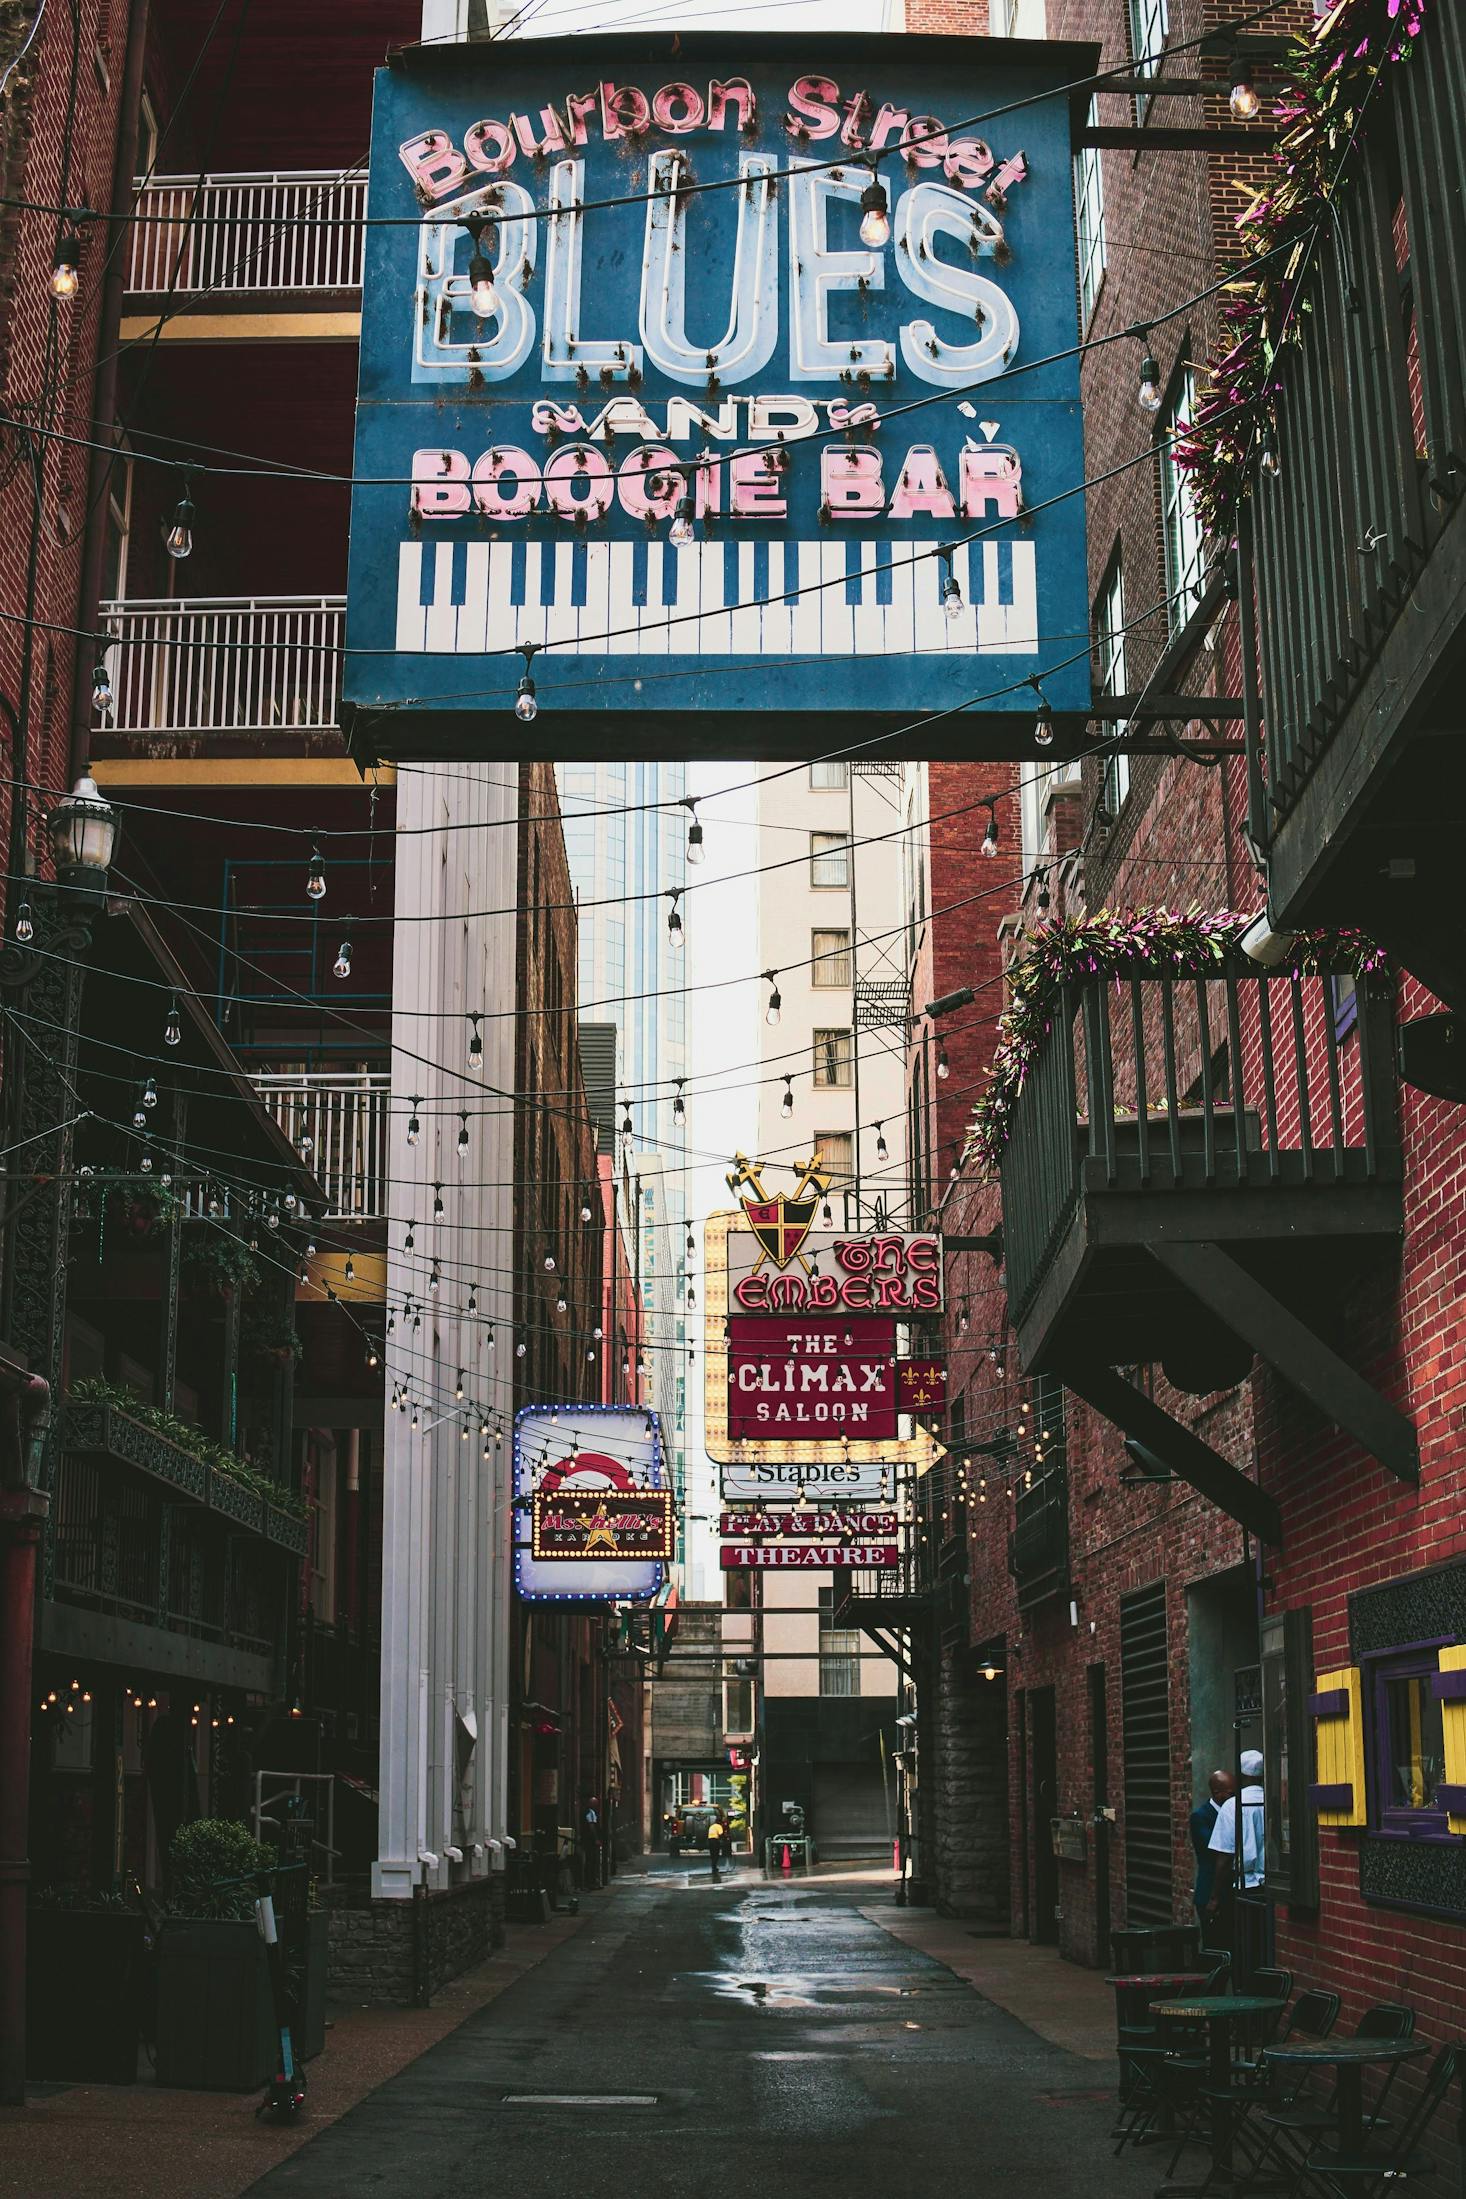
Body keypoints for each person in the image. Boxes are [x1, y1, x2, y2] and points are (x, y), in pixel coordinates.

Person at [1190, 1769, 1235, 1924]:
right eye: (1230, 1793)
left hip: (1230, 1892)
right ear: (1217, 1793)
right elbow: (1215, 1849)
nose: (1235, 1797)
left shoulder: (1234, 1811)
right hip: (1209, 1892)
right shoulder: (1200, 1817)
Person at [706, 1808, 727, 1881]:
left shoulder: (711, 1826)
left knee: (712, 1854)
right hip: (715, 1841)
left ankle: (713, 1866)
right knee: (716, 1854)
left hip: (710, 1840)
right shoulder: (719, 1826)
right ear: (720, 1822)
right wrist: (724, 1840)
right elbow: (721, 1834)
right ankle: (714, 1867)